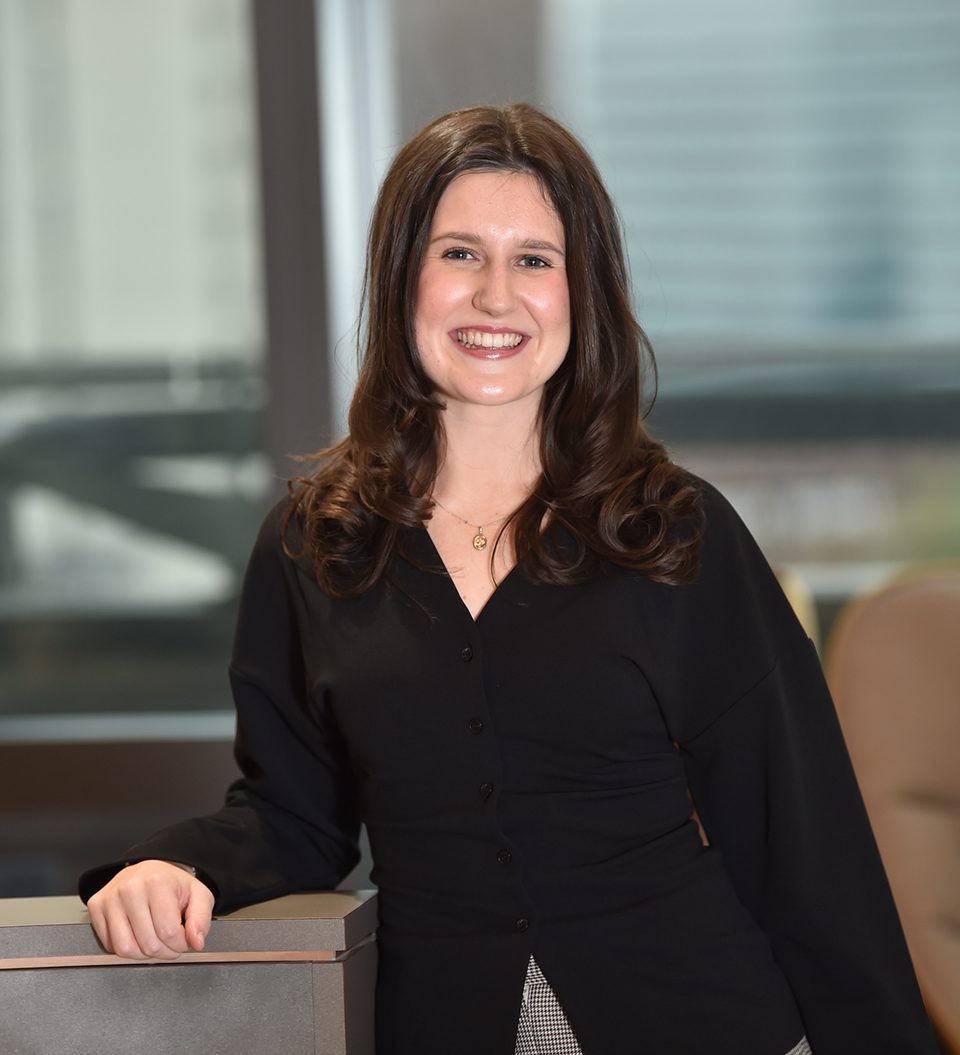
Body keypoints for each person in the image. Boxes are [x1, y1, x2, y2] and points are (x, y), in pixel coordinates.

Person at [79, 104, 938, 1055]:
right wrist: (168, 865)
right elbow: (294, 814)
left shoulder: (675, 531)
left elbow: (803, 841)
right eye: (459, 254)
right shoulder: (314, 544)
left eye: (534, 258)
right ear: (403, 278)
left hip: (700, 1018)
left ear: (584, 292)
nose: (496, 295)